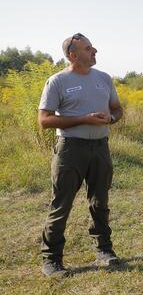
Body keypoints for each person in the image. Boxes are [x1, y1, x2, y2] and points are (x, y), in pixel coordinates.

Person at [38, 33, 124, 278]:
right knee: (61, 204)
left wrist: (112, 118)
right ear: (73, 55)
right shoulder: (57, 81)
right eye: (88, 48)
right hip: (69, 149)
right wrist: (83, 120)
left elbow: (117, 109)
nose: (94, 50)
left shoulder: (104, 79)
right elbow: (44, 120)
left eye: (93, 47)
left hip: (100, 147)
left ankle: (104, 251)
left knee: (100, 202)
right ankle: (51, 260)